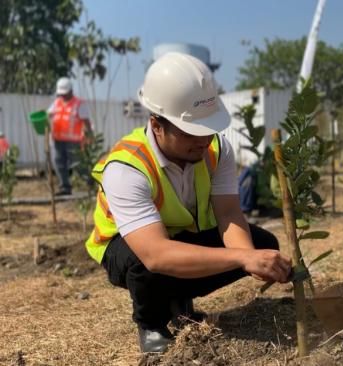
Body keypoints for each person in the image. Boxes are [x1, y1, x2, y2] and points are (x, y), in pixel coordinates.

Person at [84, 52, 292, 354]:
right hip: (130, 249)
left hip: (177, 240)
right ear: (157, 125)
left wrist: (250, 257)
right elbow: (156, 254)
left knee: (262, 242)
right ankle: (152, 323)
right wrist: (240, 260)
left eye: (208, 129)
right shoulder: (126, 168)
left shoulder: (216, 150)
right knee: (146, 265)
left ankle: (178, 301)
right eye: (191, 132)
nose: (203, 140)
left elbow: (229, 213)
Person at [47, 77, 93, 196]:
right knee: (59, 163)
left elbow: (86, 121)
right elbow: (48, 114)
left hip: (73, 141)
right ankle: (65, 187)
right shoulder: (57, 102)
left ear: (71, 91)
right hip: (58, 140)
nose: (63, 96)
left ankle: (91, 184)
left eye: (65, 93)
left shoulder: (79, 104)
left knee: (78, 165)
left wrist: (90, 136)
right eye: (61, 94)